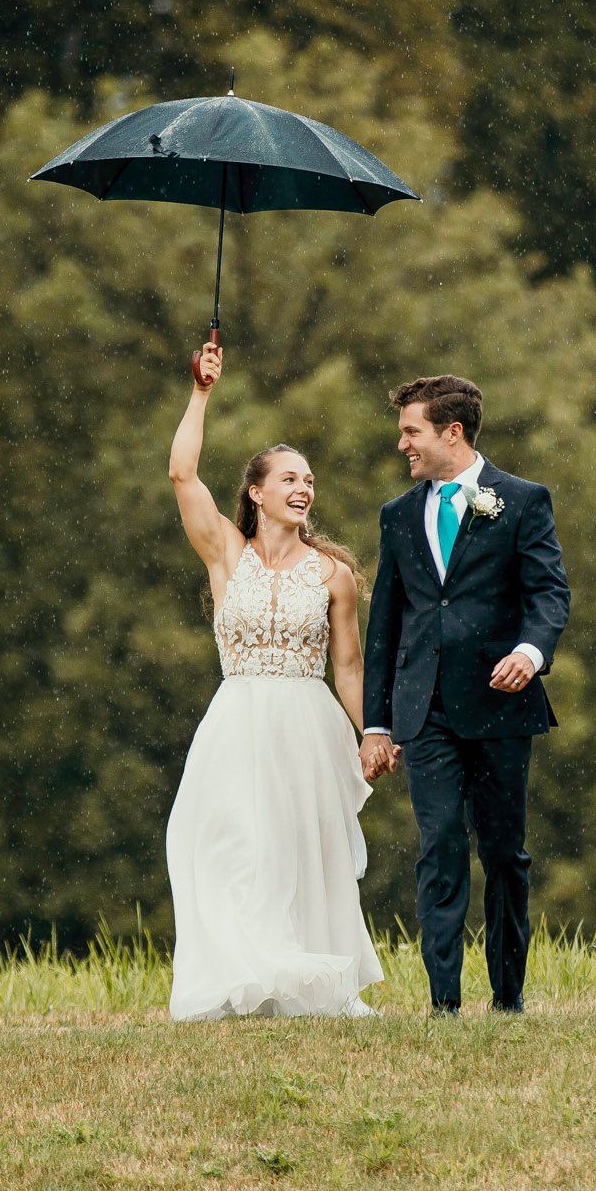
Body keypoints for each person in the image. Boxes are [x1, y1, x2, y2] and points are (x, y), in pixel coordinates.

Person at [163, 341, 384, 1020]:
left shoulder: (332, 575)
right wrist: (201, 392)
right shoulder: (227, 553)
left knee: (294, 853)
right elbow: (180, 472)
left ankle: (297, 984)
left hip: (306, 726)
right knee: (236, 846)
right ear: (256, 492)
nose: (303, 488)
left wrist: (374, 730)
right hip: (238, 720)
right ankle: (243, 976)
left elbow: (348, 667)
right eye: (288, 478)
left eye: (309, 480)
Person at [359, 375, 571, 1015]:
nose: (403, 445)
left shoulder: (524, 501)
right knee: (441, 846)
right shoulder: (397, 516)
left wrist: (530, 654)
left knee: (505, 854)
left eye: (411, 431)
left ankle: (508, 1001)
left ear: (452, 433)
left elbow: (549, 595)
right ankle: (443, 1006)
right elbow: (386, 627)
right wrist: (376, 723)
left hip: (501, 707)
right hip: (424, 714)